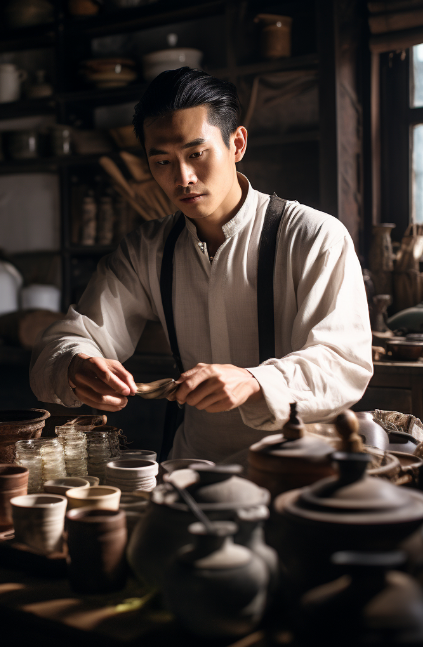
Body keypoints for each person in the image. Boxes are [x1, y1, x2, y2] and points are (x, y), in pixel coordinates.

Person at [30, 67, 373, 464]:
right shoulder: (147, 249)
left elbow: (343, 361)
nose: (183, 178)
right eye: (162, 161)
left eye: (196, 154)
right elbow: (67, 338)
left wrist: (253, 379)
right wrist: (76, 363)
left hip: (299, 470)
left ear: (237, 143)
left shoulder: (314, 237)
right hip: (193, 469)